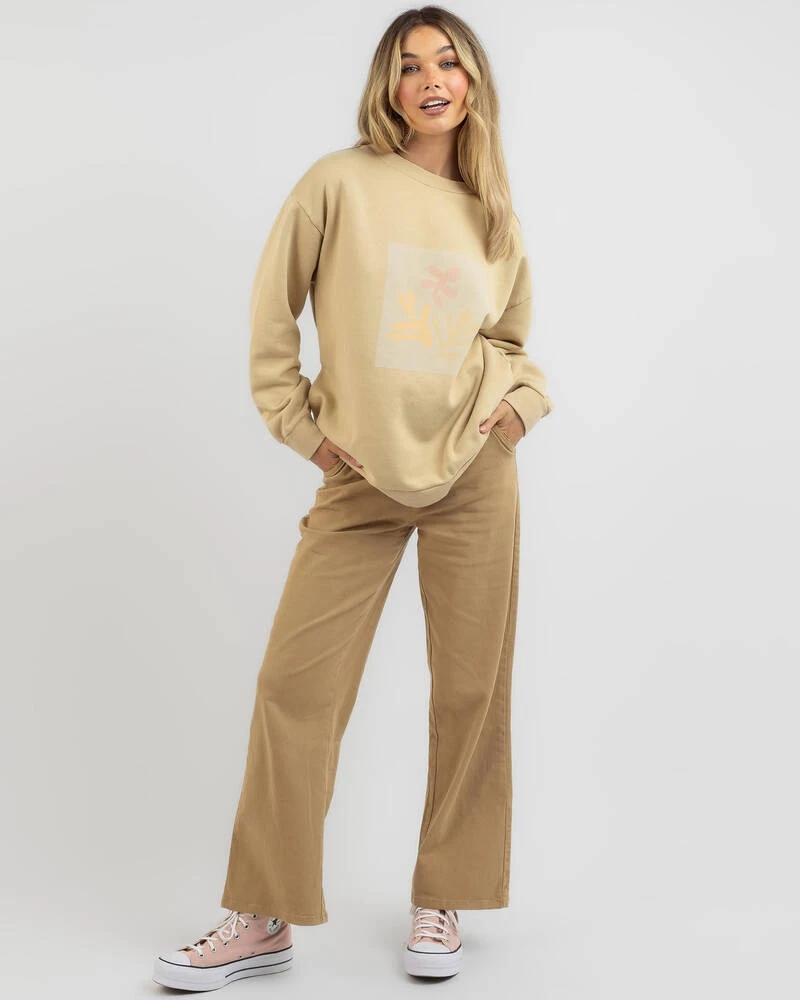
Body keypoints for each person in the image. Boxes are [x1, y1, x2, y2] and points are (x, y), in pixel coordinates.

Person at [152, 5, 553, 990]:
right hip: (359, 479)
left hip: (474, 477)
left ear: (472, 83)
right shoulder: (336, 184)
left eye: (448, 63)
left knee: (470, 692)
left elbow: (508, 340)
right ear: (387, 84)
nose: (431, 80)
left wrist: (518, 408)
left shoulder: (491, 212)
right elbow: (270, 321)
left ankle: (443, 893)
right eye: (410, 65)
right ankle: (263, 915)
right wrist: (302, 429)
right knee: (294, 688)